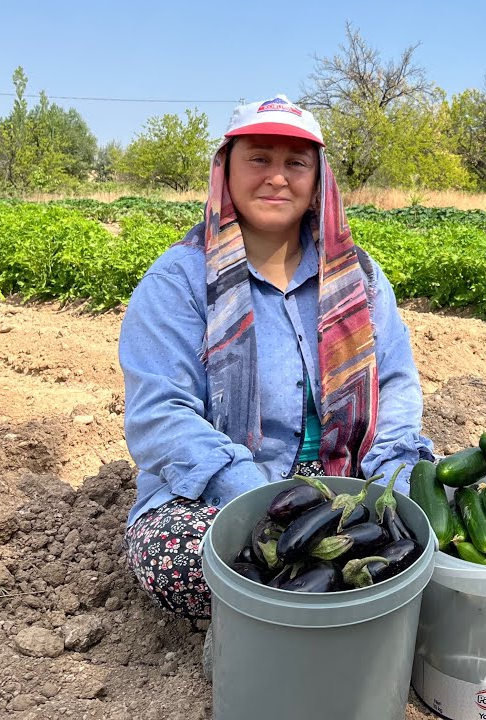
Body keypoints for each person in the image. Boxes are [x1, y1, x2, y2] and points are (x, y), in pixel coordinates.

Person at [119, 94, 434, 620]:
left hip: (347, 483)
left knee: (437, 520)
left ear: (318, 179)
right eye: (259, 158)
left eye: (296, 163)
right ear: (226, 169)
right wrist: (256, 496)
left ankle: (312, 612)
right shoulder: (178, 280)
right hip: (224, 487)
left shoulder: (359, 277)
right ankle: (301, 620)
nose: (277, 177)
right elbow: (161, 413)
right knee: (179, 558)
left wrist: (393, 481)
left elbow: (396, 384)